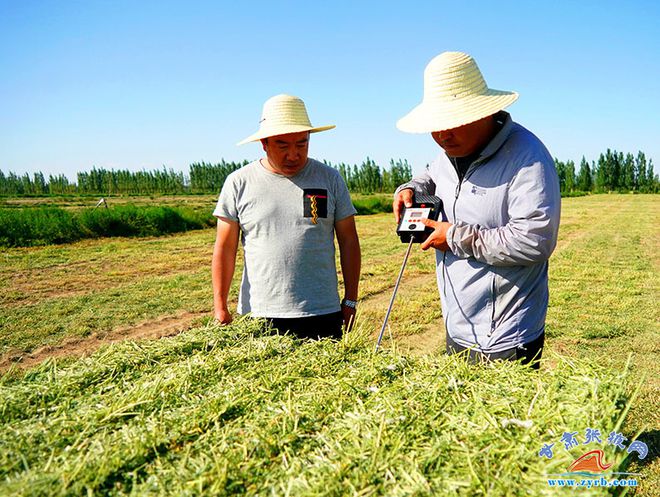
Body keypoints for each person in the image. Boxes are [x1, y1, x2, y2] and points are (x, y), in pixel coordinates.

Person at [393, 51, 561, 368]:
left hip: (507, 337)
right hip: (457, 327)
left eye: (451, 122)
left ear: (483, 112)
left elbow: (535, 240)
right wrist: (411, 189)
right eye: (436, 125)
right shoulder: (449, 152)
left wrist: (454, 237)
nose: (442, 134)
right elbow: (431, 174)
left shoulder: (528, 158)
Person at [212, 94, 361, 340]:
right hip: (260, 315)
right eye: (283, 145)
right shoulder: (239, 182)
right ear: (264, 143)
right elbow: (225, 248)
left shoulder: (330, 179)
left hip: (322, 313)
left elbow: (348, 241)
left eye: (301, 144)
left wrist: (351, 300)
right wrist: (220, 306)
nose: (293, 155)